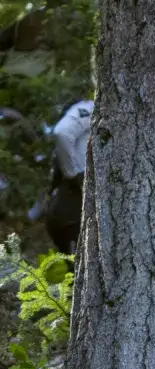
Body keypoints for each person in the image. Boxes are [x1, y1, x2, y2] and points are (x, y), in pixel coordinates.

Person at [45, 99, 93, 255]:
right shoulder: (91, 106)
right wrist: (74, 173)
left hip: (69, 208)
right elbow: (63, 131)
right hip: (73, 208)